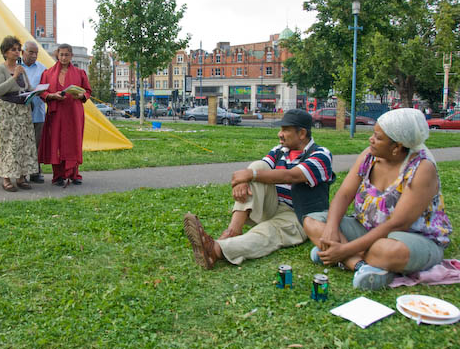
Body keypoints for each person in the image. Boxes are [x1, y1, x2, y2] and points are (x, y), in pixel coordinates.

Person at [303, 108, 452, 290]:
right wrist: (331, 230)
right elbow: (343, 194)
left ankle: (336, 254)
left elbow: (397, 224)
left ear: (397, 146)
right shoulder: (369, 156)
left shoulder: (421, 169)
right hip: (365, 228)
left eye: (378, 137)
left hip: (408, 238)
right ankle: (360, 265)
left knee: (388, 251)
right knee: (312, 222)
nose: (371, 139)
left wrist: (344, 249)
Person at [183, 109, 334, 269]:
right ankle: (233, 231)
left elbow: (292, 176)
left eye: (285, 130)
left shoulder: (321, 155)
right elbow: (259, 170)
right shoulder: (279, 151)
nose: (280, 134)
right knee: (258, 166)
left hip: (299, 215)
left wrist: (249, 175)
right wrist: (244, 179)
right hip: (273, 205)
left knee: (269, 232)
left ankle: (217, 249)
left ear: (302, 133)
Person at [38, 43, 92, 186]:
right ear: (57, 55)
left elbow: (88, 91)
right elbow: (42, 92)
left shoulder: (80, 73)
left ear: (71, 56)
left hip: (74, 113)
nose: (63, 57)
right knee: (56, 142)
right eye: (61, 54)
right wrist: (52, 96)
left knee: (73, 142)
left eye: (66, 55)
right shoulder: (47, 73)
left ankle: (74, 174)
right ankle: (58, 175)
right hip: (56, 114)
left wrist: (82, 96)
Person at [0, 36, 38, 192]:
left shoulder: (21, 69)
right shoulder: (1, 69)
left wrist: (37, 91)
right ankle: (6, 178)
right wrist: (15, 77)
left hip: (23, 110)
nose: (17, 52)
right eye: (13, 49)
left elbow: (28, 87)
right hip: (8, 110)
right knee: (10, 143)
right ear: (5, 52)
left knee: (24, 144)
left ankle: (21, 177)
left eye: (18, 49)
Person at [21, 40, 47, 184]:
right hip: (20, 112)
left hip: (37, 111)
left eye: (36, 53)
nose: (33, 55)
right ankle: (22, 172)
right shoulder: (17, 67)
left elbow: (46, 87)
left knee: (36, 143)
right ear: (23, 52)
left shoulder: (42, 69)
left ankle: (35, 171)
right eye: (31, 52)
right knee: (23, 143)